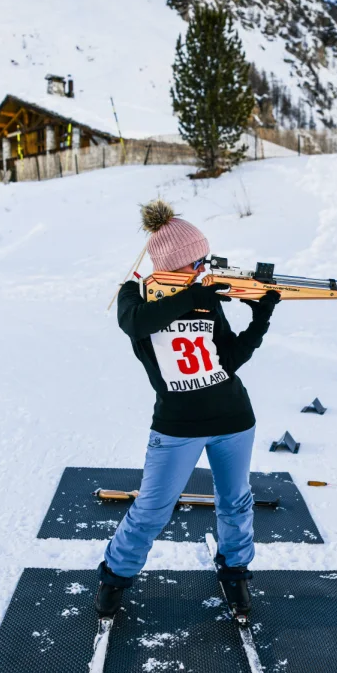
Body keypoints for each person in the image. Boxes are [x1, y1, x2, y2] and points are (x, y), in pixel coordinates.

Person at [95, 200, 280, 618]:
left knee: (236, 503)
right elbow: (135, 323)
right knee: (151, 510)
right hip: (177, 426)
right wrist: (194, 294)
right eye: (196, 262)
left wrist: (260, 320)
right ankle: (115, 576)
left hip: (233, 418)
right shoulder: (135, 295)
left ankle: (235, 573)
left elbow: (227, 360)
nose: (202, 268)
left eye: (204, 261)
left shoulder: (205, 297)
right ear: (172, 263)